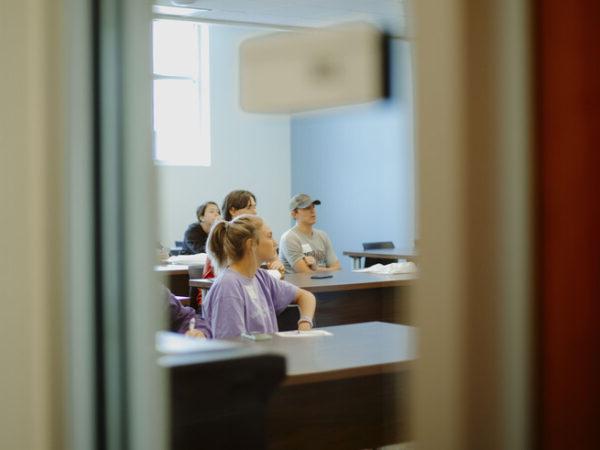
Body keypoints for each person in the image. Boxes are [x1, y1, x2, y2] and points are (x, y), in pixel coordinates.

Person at [203, 215, 316, 339]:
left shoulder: (260, 276)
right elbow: (232, 346)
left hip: (266, 355)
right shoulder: (228, 286)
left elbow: (306, 296)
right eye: (269, 236)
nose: (275, 243)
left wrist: (305, 322)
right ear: (251, 244)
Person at [202, 190, 285, 278]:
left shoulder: (257, 233)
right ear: (232, 211)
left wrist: (277, 264)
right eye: (249, 208)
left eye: (254, 207)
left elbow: (274, 259)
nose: (255, 212)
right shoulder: (224, 237)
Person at [279, 194, 341, 273]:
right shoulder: (289, 238)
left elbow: (337, 268)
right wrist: (327, 270)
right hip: (300, 285)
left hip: (325, 284)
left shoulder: (323, 235)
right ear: (294, 214)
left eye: (313, 207)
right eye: (307, 208)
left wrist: (316, 268)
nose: (312, 211)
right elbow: (306, 274)